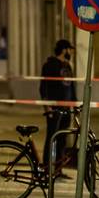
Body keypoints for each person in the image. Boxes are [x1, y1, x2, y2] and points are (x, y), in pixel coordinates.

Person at [40, 39, 76, 170]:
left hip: (67, 108)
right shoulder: (49, 65)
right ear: (64, 50)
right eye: (69, 50)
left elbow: (71, 87)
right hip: (54, 108)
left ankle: (58, 169)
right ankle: (47, 166)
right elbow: (43, 87)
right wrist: (47, 106)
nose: (71, 52)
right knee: (52, 137)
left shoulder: (67, 66)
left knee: (62, 139)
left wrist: (74, 104)